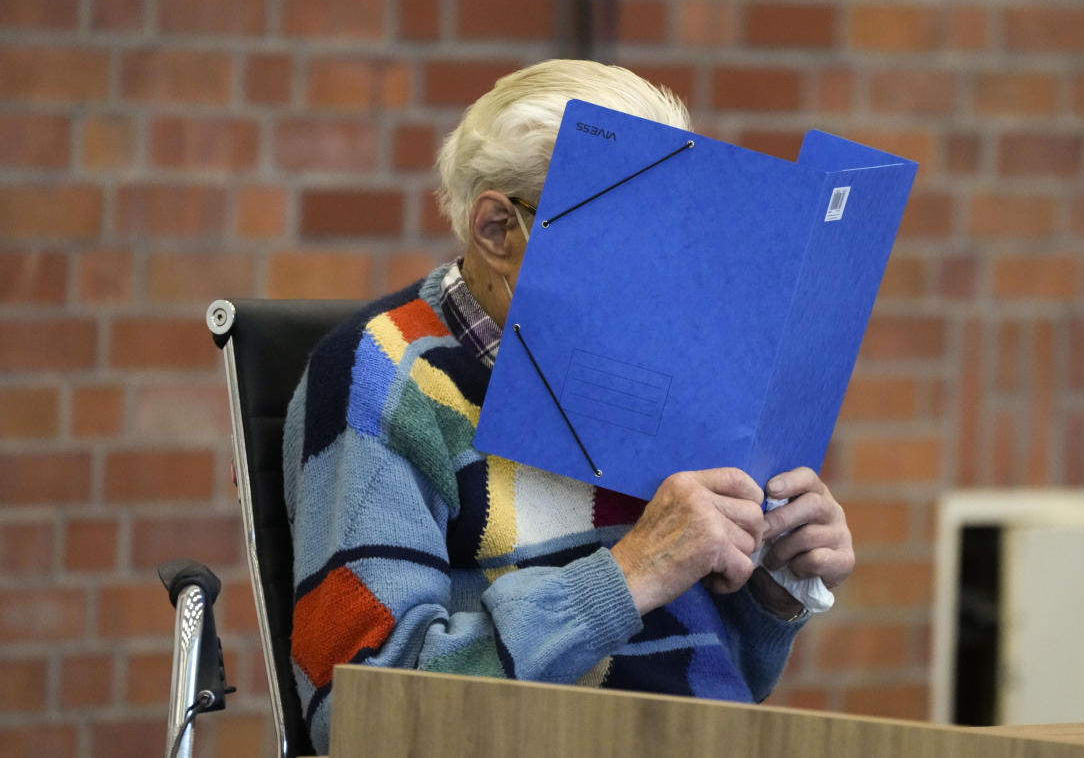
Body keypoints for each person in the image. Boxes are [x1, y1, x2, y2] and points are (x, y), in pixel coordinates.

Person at [283, 59, 855, 752]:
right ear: (497, 230)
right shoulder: (382, 373)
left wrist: (774, 591)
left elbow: (713, 678)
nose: (656, 274)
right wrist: (629, 574)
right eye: (620, 235)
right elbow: (357, 710)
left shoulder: (657, 362)